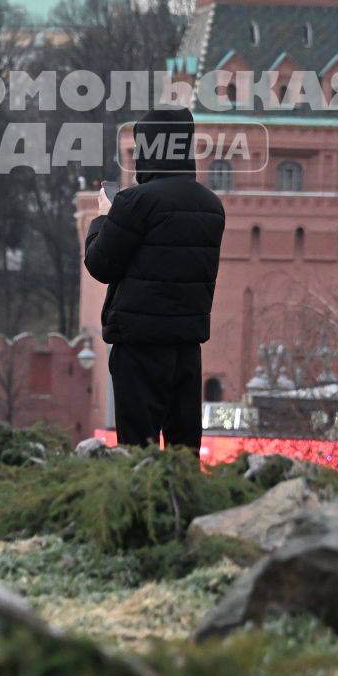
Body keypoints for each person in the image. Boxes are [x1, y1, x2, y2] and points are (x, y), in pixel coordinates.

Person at [82, 106, 224, 448]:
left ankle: (145, 502)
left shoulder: (135, 202)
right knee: (183, 448)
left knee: (137, 450)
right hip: (187, 347)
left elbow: (100, 264)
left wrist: (103, 217)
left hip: (139, 346)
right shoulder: (211, 206)